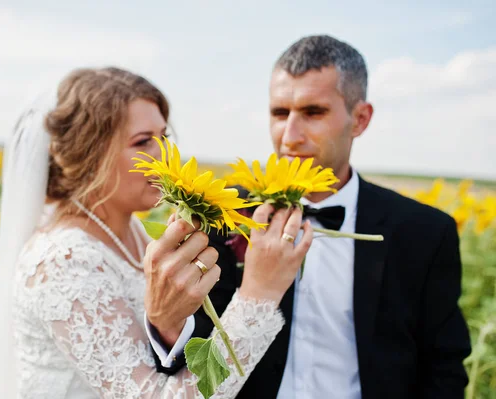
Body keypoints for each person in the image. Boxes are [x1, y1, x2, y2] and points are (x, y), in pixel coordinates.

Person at [154, 35, 472, 399]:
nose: (289, 136)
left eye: (313, 112)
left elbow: (443, 368)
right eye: (279, 113)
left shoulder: (425, 232)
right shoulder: (225, 213)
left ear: (360, 119)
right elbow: (190, 346)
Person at [0, 66, 314, 399]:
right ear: (90, 155)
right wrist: (260, 294)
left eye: (164, 137)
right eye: (142, 143)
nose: (165, 154)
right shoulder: (63, 261)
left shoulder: (132, 231)